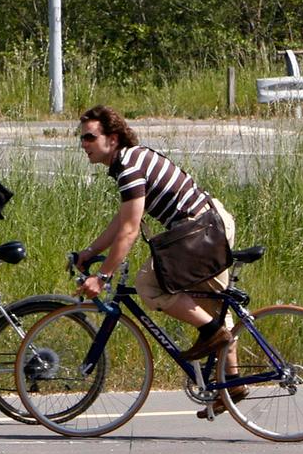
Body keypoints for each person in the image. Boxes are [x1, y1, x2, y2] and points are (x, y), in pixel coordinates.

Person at [71, 105, 246, 415]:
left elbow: (129, 229)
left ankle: (212, 336)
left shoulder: (129, 166)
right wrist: (91, 252)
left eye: (88, 137)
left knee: (148, 284)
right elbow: (123, 218)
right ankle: (232, 383)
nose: (83, 144)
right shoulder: (130, 161)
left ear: (112, 139)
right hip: (205, 225)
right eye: (81, 137)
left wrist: (104, 276)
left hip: (201, 229)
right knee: (212, 307)